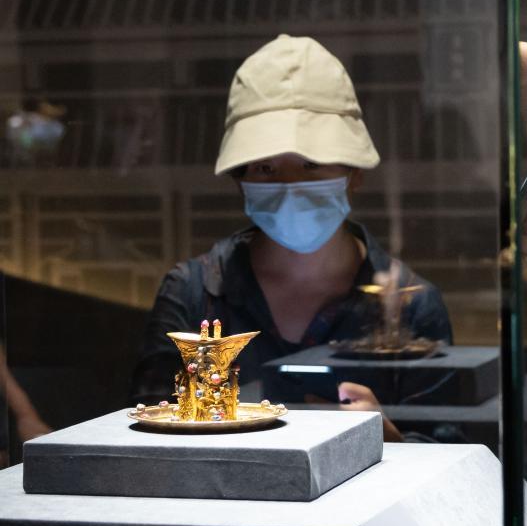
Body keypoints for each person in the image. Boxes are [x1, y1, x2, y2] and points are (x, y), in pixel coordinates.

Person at [130, 35, 451, 442]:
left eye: (310, 164)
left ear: (354, 173)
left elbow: (449, 450)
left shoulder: (412, 304)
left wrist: (387, 441)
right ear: (241, 180)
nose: (289, 185)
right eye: (265, 168)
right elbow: (146, 436)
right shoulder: (192, 293)